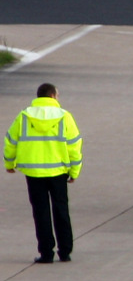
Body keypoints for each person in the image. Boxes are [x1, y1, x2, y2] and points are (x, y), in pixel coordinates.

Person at [4, 83, 82, 263]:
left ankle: (46, 252)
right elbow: (75, 146)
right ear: (53, 96)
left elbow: (10, 141)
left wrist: (10, 163)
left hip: (34, 172)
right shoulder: (65, 116)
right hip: (58, 172)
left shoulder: (24, 116)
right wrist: (74, 171)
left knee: (40, 212)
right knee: (61, 209)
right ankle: (65, 251)